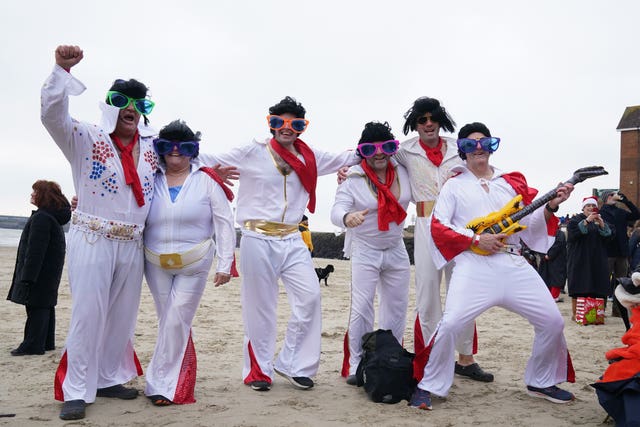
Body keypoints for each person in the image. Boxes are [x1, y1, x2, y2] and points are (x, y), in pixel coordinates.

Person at [410, 122, 575, 411]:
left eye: (485, 144)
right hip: (473, 265)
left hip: (512, 260)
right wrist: (475, 239)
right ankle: (428, 385)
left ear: (491, 147)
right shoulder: (453, 186)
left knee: (553, 321)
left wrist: (550, 206)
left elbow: (528, 226)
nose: (478, 150)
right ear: (461, 151)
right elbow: (438, 226)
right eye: (470, 145)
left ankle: (541, 380)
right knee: (450, 324)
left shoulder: (510, 183)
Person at [201, 96, 360, 392]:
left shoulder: (310, 156)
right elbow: (203, 159)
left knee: (311, 297)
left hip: (292, 237)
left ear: (302, 128)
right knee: (260, 307)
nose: (286, 128)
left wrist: (373, 153)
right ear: (271, 124)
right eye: (279, 122)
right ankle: (258, 371)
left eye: (295, 123)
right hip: (256, 237)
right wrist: (214, 173)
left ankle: (294, 364)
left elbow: (349, 157)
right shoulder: (251, 151)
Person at [41, 44, 160, 420]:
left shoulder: (153, 147)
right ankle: (77, 388)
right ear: (110, 105)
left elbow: (187, 160)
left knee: (122, 316)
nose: (131, 109)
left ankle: (108, 377)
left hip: (133, 244)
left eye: (139, 104)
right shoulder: (85, 138)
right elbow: (51, 116)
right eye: (122, 101)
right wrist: (61, 72)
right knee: (88, 314)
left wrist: (212, 172)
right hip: (93, 237)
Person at [394, 97, 493, 382]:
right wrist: (345, 171)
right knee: (427, 293)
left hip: (458, 224)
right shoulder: (405, 151)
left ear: (440, 120)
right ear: (415, 124)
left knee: (462, 291)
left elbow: (482, 169)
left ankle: (465, 358)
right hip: (425, 224)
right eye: (422, 120)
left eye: (432, 118)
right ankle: (429, 358)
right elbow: (372, 157)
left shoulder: (458, 147)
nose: (428, 124)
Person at [143, 120, 236, 406]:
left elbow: (224, 221)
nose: (175, 153)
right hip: (154, 261)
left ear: (193, 151)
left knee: (176, 318)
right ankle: (172, 378)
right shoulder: (149, 177)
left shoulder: (206, 179)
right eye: (166, 147)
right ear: (158, 150)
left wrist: (225, 263)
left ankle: (162, 386)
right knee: (168, 320)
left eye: (184, 148)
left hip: (194, 263)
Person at [330, 122, 412, 385]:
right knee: (362, 308)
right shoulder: (352, 177)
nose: (379, 154)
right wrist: (347, 217)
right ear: (362, 151)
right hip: (365, 248)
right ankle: (356, 363)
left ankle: (391, 357)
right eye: (370, 149)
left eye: (386, 147)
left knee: (397, 308)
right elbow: (335, 210)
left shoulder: (404, 170)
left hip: (396, 247)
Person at [7, 180, 71, 356]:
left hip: (40, 272)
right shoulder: (51, 218)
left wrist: (27, 277)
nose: (32, 195)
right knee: (45, 305)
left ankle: (33, 345)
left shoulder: (42, 218)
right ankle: (46, 342)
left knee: (36, 306)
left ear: (43, 196)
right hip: (49, 272)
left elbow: (35, 250)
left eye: (35, 192)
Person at [566, 197, 612, 321]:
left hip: (597, 259)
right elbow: (574, 235)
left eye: (593, 206)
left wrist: (602, 224)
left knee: (597, 284)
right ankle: (577, 313)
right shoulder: (575, 220)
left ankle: (595, 314)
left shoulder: (599, 221)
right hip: (580, 258)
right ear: (583, 208)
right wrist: (587, 221)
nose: (591, 208)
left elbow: (608, 238)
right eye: (588, 206)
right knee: (580, 284)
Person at [600, 190, 640, 318]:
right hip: (607, 251)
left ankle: (618, 311)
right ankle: (601, 309)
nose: (614, 197)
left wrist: (625, 201)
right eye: (611, 195)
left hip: (622, 252)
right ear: (606, 198)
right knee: (604, 280)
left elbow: (636, 214)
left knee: (621, 282)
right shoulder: (600, 212)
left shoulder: (620, 211)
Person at [538, 227, 567, 302]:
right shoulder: (543, 233)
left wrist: (550, 254)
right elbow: (538, 244)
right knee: (545, 277)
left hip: (557, 259)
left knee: (556, 278)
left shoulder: (559, 234)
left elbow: (558, 244)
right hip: (545, 259)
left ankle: (554, 296)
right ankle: (547, 296)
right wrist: (543, 255)